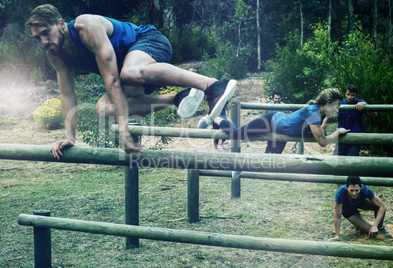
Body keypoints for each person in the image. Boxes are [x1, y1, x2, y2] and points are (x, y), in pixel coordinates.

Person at [26, 4, 237, 158]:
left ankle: (211, 85)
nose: (43, 41)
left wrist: (123, 127)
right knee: (103, 109)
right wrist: (70, 137)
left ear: (61, 24)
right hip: (131, 76)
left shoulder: (85, 27)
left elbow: (112, 79)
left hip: (149, 43)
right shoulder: (54, 53)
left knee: (129, 72)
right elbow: (67, 92)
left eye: (46, 33)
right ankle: (178, 98)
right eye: (37, 38)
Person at [206, 88, 350, 181]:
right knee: (237, 134)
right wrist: (337, 133)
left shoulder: (316, 114)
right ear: (328, 103)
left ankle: (241, 168)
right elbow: (323, 142)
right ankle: (216, 119)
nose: (337, 110)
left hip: (281, 129)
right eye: (336, 106)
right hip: (271, 120)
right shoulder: (313, 112)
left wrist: (327, 121)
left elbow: (319, 134)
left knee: (270, 160)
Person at [329, 176, 392, 240]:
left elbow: (382, 206)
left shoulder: (365, 189)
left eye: (357, 190)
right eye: (351, 190)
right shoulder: (340, 192)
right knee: (374, 235)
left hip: (360, 203)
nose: (354, 193)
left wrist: (375, 225)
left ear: (361, 187)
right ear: (347, 188)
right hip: (349, 211)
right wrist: (337, 236)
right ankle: (359, 224)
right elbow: (337, 216)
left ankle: (380, 228)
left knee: (377, 207)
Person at [323, 84, 377, 156]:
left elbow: (374, 115)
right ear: (345, 93)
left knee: (351, 164)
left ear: (356, 95)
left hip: (354, 141)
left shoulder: (360, 103)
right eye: (348, 94)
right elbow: (329, 116)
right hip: (340, 139)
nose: (349, 97)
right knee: (336, 164)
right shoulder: (340, 103)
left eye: (352, 95)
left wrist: (365, 105)